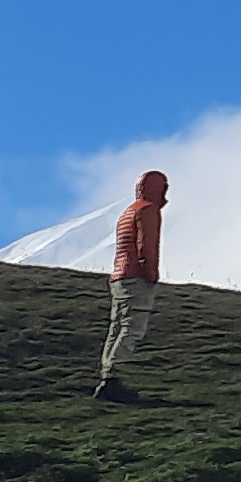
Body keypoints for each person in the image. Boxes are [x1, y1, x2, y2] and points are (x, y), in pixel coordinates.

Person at [96, 169, 168, 403]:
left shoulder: (128, 211)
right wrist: (151, 274)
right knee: (132, 327)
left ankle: (108, 374)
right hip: (136, 276)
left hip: (119, 276)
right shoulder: (149, 211)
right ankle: (113, 379)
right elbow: (146, 246)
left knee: (116, 327)